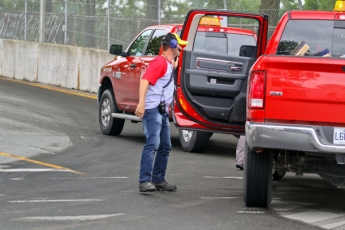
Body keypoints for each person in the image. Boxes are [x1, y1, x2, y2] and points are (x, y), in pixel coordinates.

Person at [135, 33, 188, 192]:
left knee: (165, 145)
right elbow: (145, 80)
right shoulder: (159, 62)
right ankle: (144, 180)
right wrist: (141, 103)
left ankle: (158, 179)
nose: (181, 48)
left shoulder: (166, 63)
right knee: (153, 144)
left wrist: (174, 64)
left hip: (161, 110)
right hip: (153, 109)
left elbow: (165, 76)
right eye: (179, 45)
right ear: (172, 45)